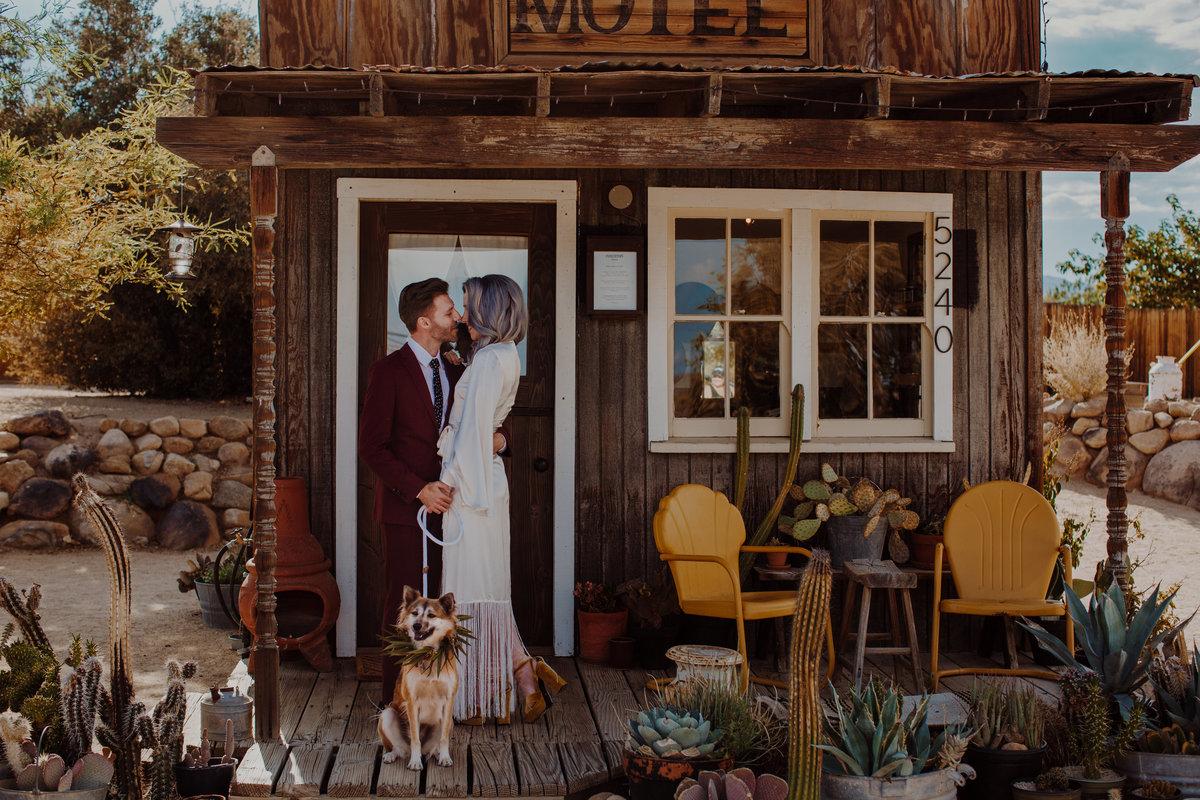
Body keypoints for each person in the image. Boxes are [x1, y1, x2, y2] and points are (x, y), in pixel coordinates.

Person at [358, 277, 508, 704]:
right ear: (424, 322)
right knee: (408, 606)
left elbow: (492, 423)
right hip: (407, 509)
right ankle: (397, 700)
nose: (458, 317)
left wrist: (501, 441)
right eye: (448, 311)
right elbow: (371, 447)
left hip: (457, 511)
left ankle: (443, 696)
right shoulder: (388, 371)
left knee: (446, 606)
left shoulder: (460, 368)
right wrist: (419, 489)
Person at [439, 274, 567, 724]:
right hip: (483, 481)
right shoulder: (501, 355)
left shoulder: (490, 361)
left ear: (487, 311)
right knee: (487, 590)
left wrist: (453, 484)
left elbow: (474, 432)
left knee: (470, 591)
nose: (462, 316)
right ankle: (520, 675)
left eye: (468, 306)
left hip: (472, 487)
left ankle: (480, 700)